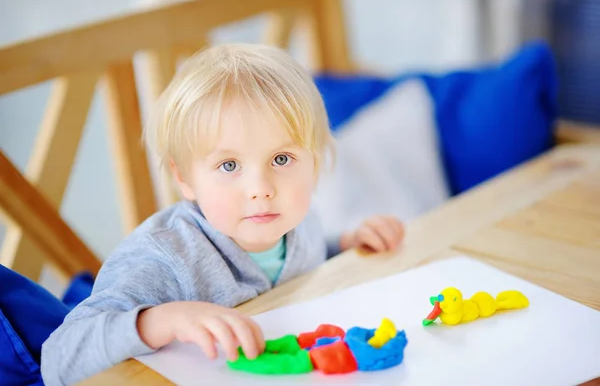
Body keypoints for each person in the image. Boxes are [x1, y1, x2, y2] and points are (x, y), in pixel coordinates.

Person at [40, 43, 405, 385]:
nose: (260, 188)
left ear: (316, 162)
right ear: (184, 177)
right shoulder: (165, 258)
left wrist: (344, 243)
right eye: (229, 165)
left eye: (281, 159)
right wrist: (160, 320)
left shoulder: (299, 221)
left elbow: (296, 263)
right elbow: (57, 359)